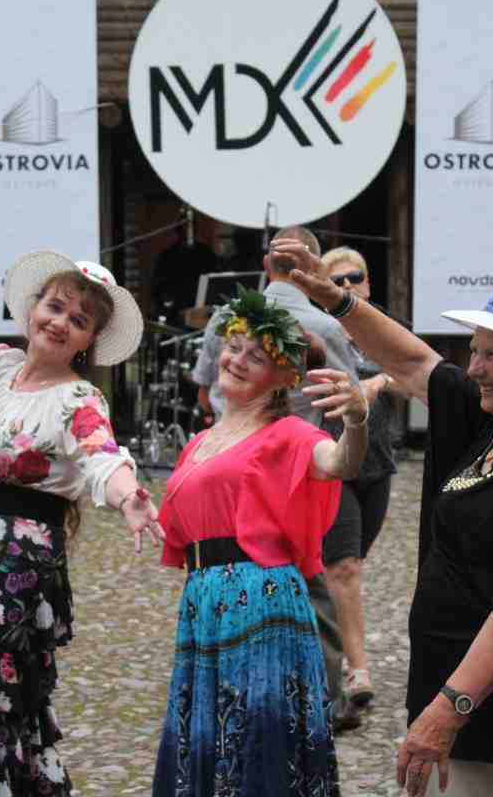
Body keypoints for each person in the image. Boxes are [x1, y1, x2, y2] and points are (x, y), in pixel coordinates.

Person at [275, 237, 493, 797]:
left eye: (491, 355)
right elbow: (413, 361)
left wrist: (448, 710)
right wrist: (335, 298)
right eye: (474, 351)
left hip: (488, 706)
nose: (474, 368)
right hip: (443, 680)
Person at [0, 179, 162, 797]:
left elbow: (102, 456)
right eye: (55, 307)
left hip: (19, 567)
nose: (61, 322)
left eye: (79, 320)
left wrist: (129, 496)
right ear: (32, 308)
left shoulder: (79, 399)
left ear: (89, 341)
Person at [151, 286, 368, 797]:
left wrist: (356, 420)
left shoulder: (288, 434)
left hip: (261, 601)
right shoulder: (199, 442)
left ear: (284, 377)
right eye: (234, 347)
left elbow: (340, 462)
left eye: (257, 356)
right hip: (205, 602)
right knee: (212, 738)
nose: (237, 360)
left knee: (257, 741)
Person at [191, 226, 364, 731]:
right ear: (314, 268)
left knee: (223, 575)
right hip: (295, 467)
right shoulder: (325, 325)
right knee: (306, 580)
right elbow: (347, 399)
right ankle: (324, 699)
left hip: (224, 466)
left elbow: (203, 391)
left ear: (267, 264)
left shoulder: (226, 316)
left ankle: (229, 694)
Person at [321, 246, 398, 708]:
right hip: (331, 460)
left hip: (378, 461)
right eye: (337, 281)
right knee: (343, 566)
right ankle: (357, 669)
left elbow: (412, 372)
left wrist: (379, 382)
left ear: (368, 283)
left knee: (347, 563)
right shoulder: (318, 332)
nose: (348, 286)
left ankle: (324, 645)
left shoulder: (383, 328)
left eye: (355, 277)